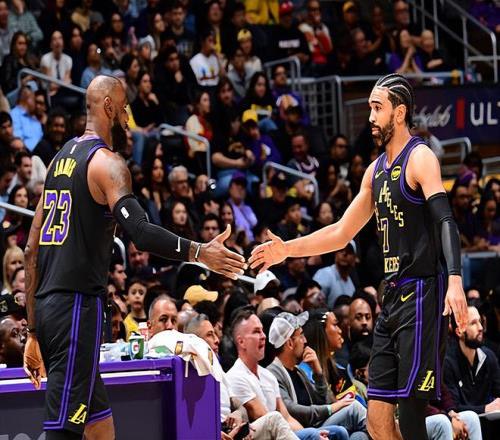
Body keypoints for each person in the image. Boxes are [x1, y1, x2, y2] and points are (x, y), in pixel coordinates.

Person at [22, 75, 246, 439]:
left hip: (49, 307)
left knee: (100, 429)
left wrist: (34, 330)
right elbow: (140, 232)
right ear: (109, 107)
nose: (128, 118)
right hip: (75, 307)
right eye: (125, 109)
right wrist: (199, 251)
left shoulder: (58, 161)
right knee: (63, 431)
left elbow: (31, 249)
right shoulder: (107, 164)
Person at [249, 73, 468, 440]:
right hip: (391, 297)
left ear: (399, 112)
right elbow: (340, 232)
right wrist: (287, 249)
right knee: (377, 420)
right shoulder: (375, 171)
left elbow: (446, 219)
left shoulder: (420, 158)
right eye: (369, 107)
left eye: (377, 108)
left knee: (411, 413)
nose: (370, 117)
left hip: (422, 293)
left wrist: (456, 280)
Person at [267, 311, 367, 439]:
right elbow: (291, 409)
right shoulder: (273, 373)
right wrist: (331, 408)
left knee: (359, 436)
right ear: (290, 343)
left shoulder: (298, 371)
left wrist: (318, 372)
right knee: (354, 409)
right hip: (302, 432)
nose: (305, 340)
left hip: (315, 426)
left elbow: (322, 401)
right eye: (301, 336)